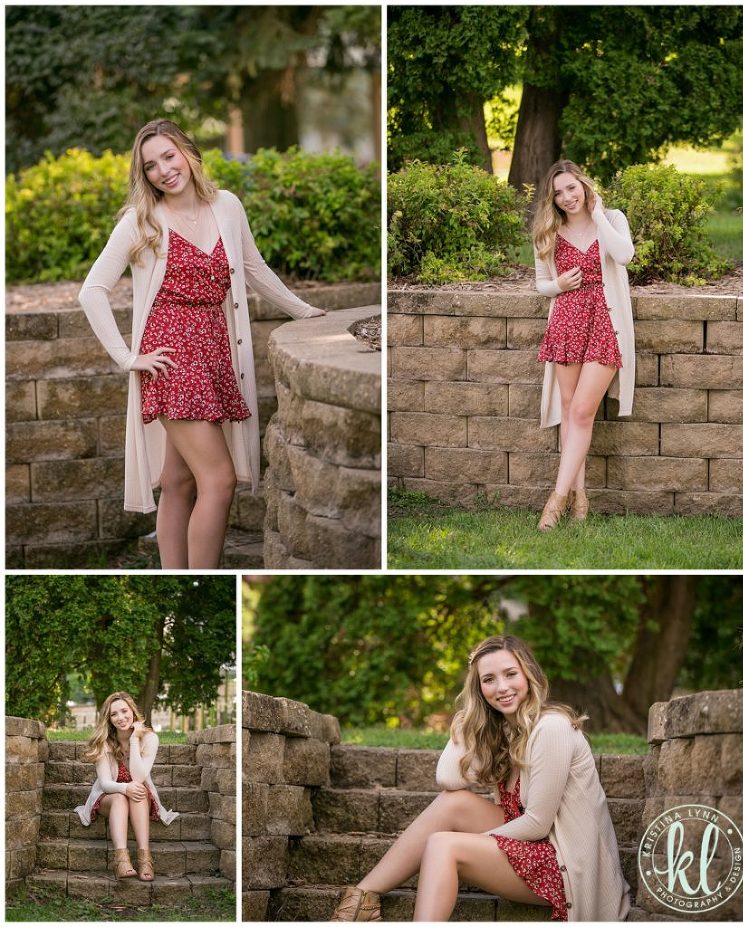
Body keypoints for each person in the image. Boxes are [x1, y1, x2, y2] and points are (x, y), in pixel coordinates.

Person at [80, 119, 326, 568]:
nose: (162, 170)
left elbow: (254, 269)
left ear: (189, 153)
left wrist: (304, 311)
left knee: (178, 481)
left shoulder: (227, 206)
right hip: (172, 359)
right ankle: (203, 576)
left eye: (168, 156)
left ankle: (174, 576)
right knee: (219, 480)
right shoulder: (141, 220)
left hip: (215, 354)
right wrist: (127, 357)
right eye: (150, 165)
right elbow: (91, 290)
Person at [330, 635, 630, 922]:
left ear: (529, 675)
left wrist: (471, 842)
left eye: (511, 674)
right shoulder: (507, 731)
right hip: (534, 849)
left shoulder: (551, 729)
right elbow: (448, 779)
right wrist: (468, 717)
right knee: (454, 803)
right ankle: (362, 901)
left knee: (443, 845)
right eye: (488, 680)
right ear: (479, 689)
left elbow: (538, 823)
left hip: (565, 868)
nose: (502, 687)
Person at [532, 159, 635, 530]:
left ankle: (555, 502)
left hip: (605, 323)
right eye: (558, 193)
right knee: (567, 407)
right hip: (567, 322)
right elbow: (541, 283)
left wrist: (599, 212)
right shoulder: (548, 231)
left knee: (581, 412)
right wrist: (557, 286)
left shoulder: (613, 219)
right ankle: (580, 498)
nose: (566, 197)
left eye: (571, 188)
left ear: (584, 185)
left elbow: (624, 256)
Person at [75, 691, 177, 882]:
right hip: (109, 797)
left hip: (138, 796)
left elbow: (138, 777)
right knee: (123, 796)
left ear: (132, 710)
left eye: (124, 711)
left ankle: (145, 859)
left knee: (138, 791)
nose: (120, 717)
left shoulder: (149, 739)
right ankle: (121, 860)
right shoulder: (103, 742)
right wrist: (124, 788)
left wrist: (134, 740)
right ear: (109, 718)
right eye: (114, 714)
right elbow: (105, 783)